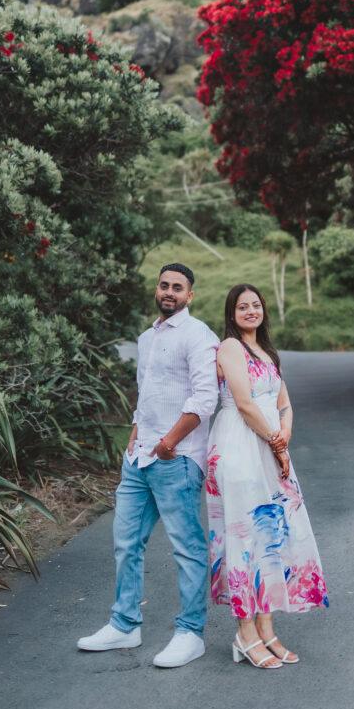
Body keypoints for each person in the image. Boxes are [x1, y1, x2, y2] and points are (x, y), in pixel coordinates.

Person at [78, 263, 219, 668]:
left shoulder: (198, 335)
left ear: (190, 296)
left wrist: (169, 442)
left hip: (177, 459)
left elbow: (204, 398)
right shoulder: (146, 338)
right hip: (139, 459)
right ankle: (125, 625)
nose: (170, 292)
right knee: (126, 542)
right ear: (157, 290)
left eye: (178, 287)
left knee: (187, 548)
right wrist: (135, 434)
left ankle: (191, 634)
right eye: (164, 285)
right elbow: (146, 393)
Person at [206, 283, 329, 670]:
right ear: (232, 313)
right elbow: (244, 403)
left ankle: (267, 628)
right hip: (240, 447)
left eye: (256, 305)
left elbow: (284, 401)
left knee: (273, 537)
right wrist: (277, 443)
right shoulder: (230, 348)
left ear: (264, 311)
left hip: (270, 446)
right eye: (242, 306)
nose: (250, 311)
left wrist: (285, 431)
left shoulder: (267, 351)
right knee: (244, 537)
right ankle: (244, 635)